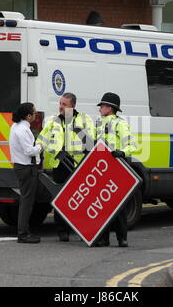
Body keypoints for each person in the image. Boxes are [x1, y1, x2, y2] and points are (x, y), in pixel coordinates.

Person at [36, 92, 95, 242]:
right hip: (60, 164)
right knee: (61, 199)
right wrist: (34, 153)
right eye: (60, 103)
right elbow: (42, 139)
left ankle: (82, 229)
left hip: (78, 164)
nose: (60, 107)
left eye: (64, 104)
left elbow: (90, 142)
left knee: (81, 199)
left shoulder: (84, 119)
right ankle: (62, 230)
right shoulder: (53, 121)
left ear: (73, 106)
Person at [94, 92, 139, 247]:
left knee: (118, 205)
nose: (99, 108)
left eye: (102, 106)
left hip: (117, 167)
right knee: (103, 205)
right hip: (102, 169)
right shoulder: (98, 124)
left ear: (110, 108)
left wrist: (122, 153)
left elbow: (132, 145)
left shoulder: (120, 124)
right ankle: (103, 238)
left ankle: (122, 238)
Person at [9, 103, 43, 244]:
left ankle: (24, 232)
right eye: (34, 113)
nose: (35, 116)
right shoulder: (22, 130)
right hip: (26, 168)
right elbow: (29, 151)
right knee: (26, 202)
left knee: (26, 200)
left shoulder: (16, 126)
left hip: (22, 167)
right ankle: (23, 233)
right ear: (28, 116)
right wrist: (41, 145)